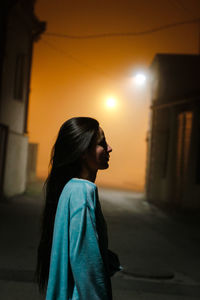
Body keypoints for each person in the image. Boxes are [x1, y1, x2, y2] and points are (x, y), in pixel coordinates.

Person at [36, 117, 122, 300]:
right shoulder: (82, 193)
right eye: (102, 143)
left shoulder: (70, 188)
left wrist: (104, 258)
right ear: (83, 151)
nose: (109, 148)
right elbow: (87, 268)